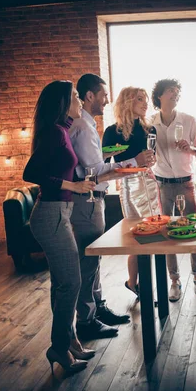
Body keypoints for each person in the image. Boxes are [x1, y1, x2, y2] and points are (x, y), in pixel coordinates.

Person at [23, 80, 95, 374]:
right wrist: (73, 186)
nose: (80, 101)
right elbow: (31, 172)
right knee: (73, 282)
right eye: (76, 97)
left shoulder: (63, 130)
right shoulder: (55, 131)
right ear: (63, 102)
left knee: (62, 283)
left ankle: (70, 341)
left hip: (59, 213)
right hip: (50, 214)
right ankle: (59, 348)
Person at [68, 73, 132, 341]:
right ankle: (86, 321)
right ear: (90, 96)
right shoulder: (82, 125)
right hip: (86, 201)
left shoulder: (87, 124)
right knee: (88, 259)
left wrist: (108, 156)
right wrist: (129, 162)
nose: (106, 100)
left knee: (93, 258)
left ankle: (98, 308)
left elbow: (90, 161)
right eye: (104, 95)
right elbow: (92, 170)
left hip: (93, 200)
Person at [150, 78, 196, 301]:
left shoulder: (190, 120)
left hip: (185, 182)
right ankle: (174, 280)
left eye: (177, 91)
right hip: (162, 183)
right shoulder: (149, 124)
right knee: (166, 233)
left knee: (193, 230)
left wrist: (190, 148)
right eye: (170, 91)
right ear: (160, 96)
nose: (175, 94)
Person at [102, 86, 159, 299]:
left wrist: (151, 160)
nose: (145, 103)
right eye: (139, 99)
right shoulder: (111, 131)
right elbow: (102, 165)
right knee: (137, 235)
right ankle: (137, 283)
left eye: (145, 99)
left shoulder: (151, 130)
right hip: (127, 184)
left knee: (152, 235)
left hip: (149, 184)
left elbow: (153, 158)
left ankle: (136, 282)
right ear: (127, 103)